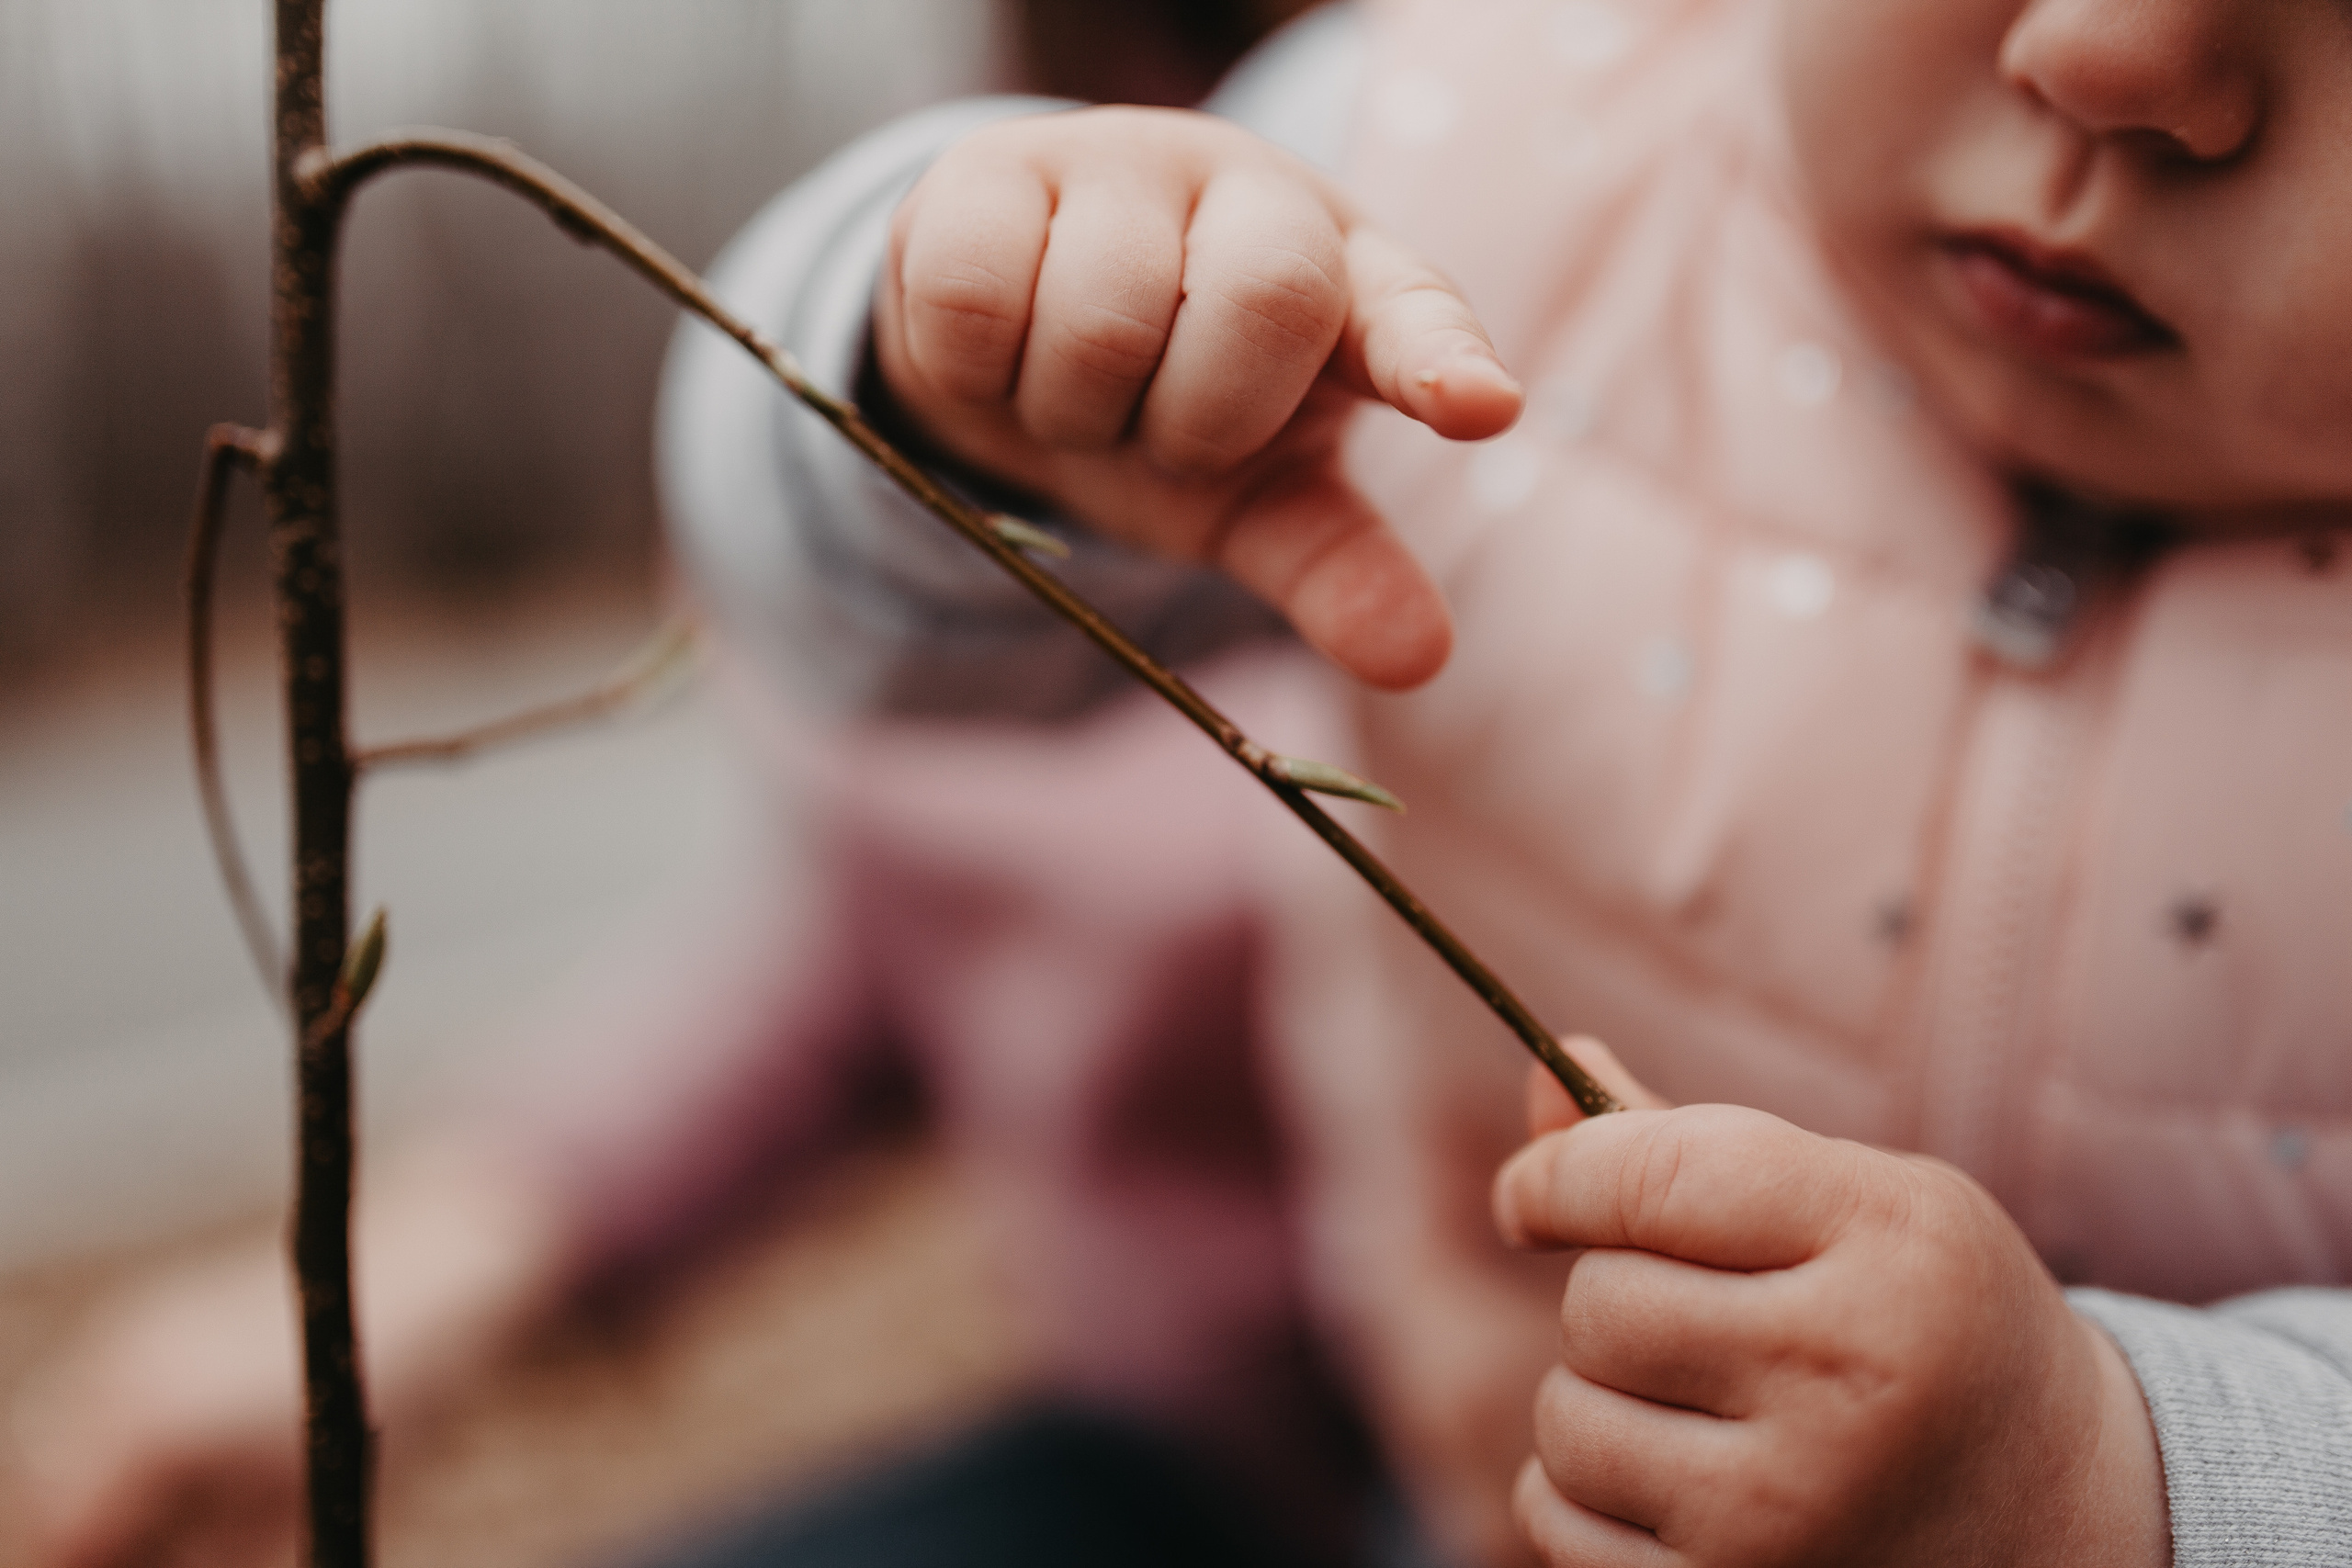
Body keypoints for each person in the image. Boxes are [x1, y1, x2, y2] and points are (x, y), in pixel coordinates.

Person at [20, 0, 2352, 1563]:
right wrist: (930, 373)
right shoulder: (1491, 200)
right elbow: (861, 844)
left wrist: (2123, 1470)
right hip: (1365, 1463)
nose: (2117, 50)